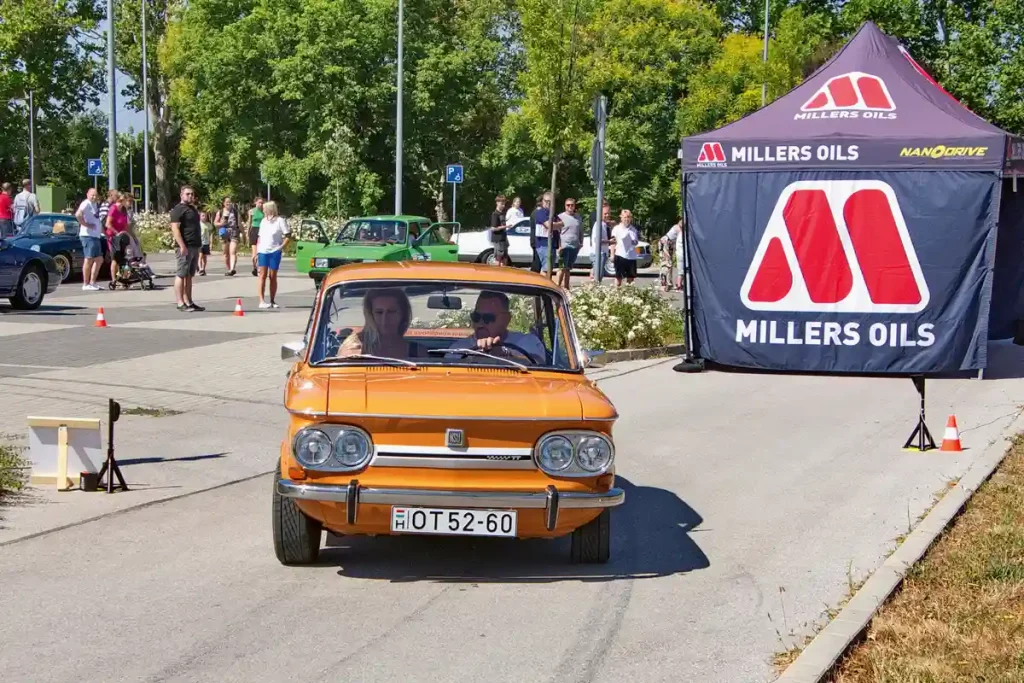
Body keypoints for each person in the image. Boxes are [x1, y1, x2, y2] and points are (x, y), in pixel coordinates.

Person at [448, 290, 546, 363]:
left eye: (488, 318)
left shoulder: (527, 342)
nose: (480, 323)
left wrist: (504, 354)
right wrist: (471, 358)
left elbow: (539, 366)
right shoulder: (459, 348)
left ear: (506, 319)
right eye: (476, 317)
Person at [338, 288, 421, 358]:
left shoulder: (416, 352)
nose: (384, 319)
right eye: (379, 312)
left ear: (403, 314)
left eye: (391, 312)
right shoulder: (353, 349)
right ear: (371, 314)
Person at [169, 186, 206, 311]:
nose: (190, 196)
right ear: (181, 195)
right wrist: (182, 246)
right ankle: (180, 303)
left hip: (194, 245)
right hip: (185, 246)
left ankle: (189, 301)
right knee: (181, 274)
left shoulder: (192, 209)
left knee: (189, 275)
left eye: (192, 194)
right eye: (188, 194)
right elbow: (175, 229)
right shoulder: (178, 210)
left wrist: (199, 245)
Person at [255, 201, 290, 309]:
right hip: (263, 251)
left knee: (272, 276)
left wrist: (280, 248)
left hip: (275, 251)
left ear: (270, 209)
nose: (263, 210)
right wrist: (256, 251)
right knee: (262, 275)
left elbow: (288, 236)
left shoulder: (280, 221)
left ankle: (272, 300)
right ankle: (261, 300)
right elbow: (259, 237)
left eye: (265, 209)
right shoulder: (263, 221)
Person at [75, 187, 104, 291]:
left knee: (99, 259)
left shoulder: (95, 204)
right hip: (87, 236)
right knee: (89, 259)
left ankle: (93, 282)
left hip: (95, 236)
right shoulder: (86, 203)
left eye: (96, 195)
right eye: (92, 195)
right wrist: (85, 224)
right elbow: (78, 214)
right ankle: (85, 283)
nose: (94, 197)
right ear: (87, 194)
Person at [531, 192, 562, 278]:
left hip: (552, 245)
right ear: (543, 201)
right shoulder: (540, 212)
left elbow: (562, 223)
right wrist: (554, 225)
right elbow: (549, 225)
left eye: (551, 202)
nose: (548, 203)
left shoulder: (552, 213)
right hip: (543, 245)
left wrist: (553, 225)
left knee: (549, 270)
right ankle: (544, 288)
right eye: (546, 201)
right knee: (546, 270)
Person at [556, 198, 582, 290]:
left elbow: (580, 231)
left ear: (574, 206)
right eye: (568, 205)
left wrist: (580, 243)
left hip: (574, 246)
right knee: (562, 268)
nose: (570, 207)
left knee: (568, 268)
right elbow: (556, 233)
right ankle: (557, 287)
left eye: (572, 205)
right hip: (564, 246)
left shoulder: (578, 217)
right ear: (565, 206)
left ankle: (566, 288)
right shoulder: (560, 217)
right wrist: (558, 246)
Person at [610, 209, 639, 286]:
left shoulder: (633, 229)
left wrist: (633, 242)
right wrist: (612, 255)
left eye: (628, 217)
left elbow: (636, 242)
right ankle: (616, 295)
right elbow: (612, 242)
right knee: (618, 278)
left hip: (631, 256)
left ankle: (628, 296)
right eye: (625, 217)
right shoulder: (616, 228)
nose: (627, 219)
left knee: (630, 279)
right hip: (620, 255)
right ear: (621, 217)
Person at [105, 191, 130, 281]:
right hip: (113, 237)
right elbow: (108, 224)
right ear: (121, 200)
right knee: (115, 258)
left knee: (125, 258)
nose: (128, 203)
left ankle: (124, 279)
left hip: (122, 237)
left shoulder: (123, 210)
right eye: (127, 201)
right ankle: (114, 280)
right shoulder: (113, 209)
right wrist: (117, 233)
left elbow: (126, 225)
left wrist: (128, 235)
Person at [215, 195, 240, 276]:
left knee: (232, 251)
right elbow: (215, 223)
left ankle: (232, 268)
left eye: (230, 202)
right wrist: (221, 223)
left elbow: (239, 223)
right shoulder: (220, 212)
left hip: (233, 231)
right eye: (227, 202)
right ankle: (229, 268)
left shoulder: (235, 211)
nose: (228, 203)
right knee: (226, 254)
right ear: (223, 203)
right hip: (224, 232)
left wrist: (243, 234)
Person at [590, 201, 612, 281]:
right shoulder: (598, 224)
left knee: (599, 276)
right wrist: (610, 242)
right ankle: (592, 292)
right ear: (600, 214)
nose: (607, 215)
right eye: (605, 214)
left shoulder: (604, 224)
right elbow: (597, 240)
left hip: (603, 253)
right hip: (598, 254)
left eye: (608, 213)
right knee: (597, 277)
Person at [489, 195, 510, 266]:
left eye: (504, 204)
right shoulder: (495, 214)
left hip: (503, 238)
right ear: (497, 203)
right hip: (498, 239)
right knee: (498, 258)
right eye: (502, 204)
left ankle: (503, 274)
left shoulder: (502, 213)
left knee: (505, 257)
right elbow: (493, 228)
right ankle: (497, 274)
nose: (503, 205)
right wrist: (504, 226)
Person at [247, 196, 264, 276]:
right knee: (254, 252)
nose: (261, 204)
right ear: (255, 203)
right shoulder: (251, 211)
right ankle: (254, 267)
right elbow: (249, 222)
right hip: (254, 230)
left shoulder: (264, 211)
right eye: (259, 202)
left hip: (262, 231)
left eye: (262, 203)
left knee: (260, 251)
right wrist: (247, 233)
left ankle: (260, 268)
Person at [198, 211, 214, 275]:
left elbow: (211, 233)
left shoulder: (208, 225)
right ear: (199, 217)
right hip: (200, 242)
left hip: (206, 243)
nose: (204, 217)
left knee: (205, 257)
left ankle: (204, 269)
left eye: (205, 216)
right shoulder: (198, 224)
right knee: (200, 256)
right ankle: (200, 268)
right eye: (202, 216)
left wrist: (211, 242)